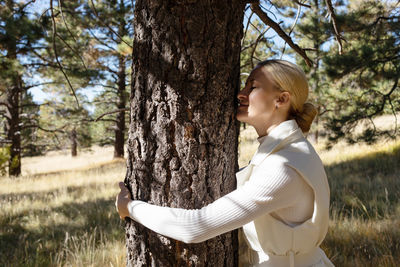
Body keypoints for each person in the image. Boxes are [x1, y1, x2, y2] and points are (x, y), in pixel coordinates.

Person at [116, 59, 334, 267]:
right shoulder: (288, 150)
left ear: (282, 99)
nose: (241, 93)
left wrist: (129, 208)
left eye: (253, 87)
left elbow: (195, 227)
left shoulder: (283, 166)